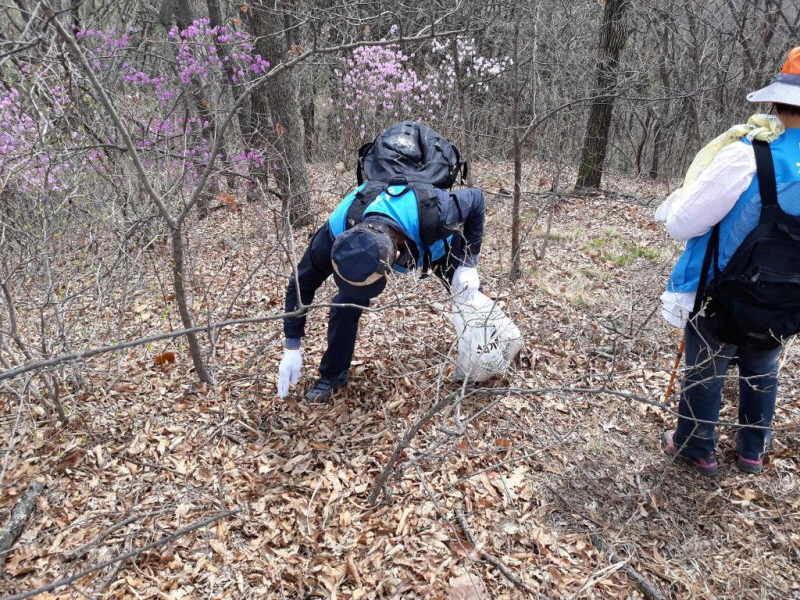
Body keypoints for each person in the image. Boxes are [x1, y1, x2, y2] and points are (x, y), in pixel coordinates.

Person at [655, 47, 800, 476]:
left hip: (723, 291)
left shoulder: (747, 155)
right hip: (787, 297)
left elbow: (683, 223)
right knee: (761, 365)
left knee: (708, 365)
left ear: (774, 101)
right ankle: (752, 452)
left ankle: (696, 446)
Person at [277, 122, 486, 402]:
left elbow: (477, 199)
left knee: (468, 293)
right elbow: (302, 282)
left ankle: (487, 351)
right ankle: (332, 376)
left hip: (436, 243)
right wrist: (292, 345)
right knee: (344, 306)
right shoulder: (340, 224)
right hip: (387, 235)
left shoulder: (437, 210)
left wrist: (469, 263)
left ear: (397, 257)